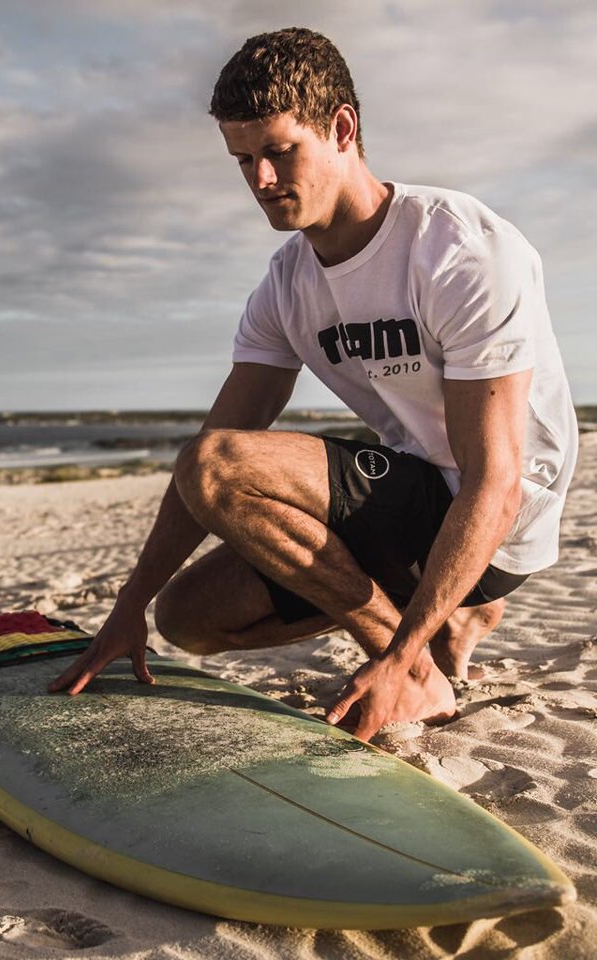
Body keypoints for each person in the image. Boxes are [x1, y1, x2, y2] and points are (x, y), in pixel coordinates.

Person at [48, 27, 578, 743]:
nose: (260, 180)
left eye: (277, 152)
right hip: (417, 505)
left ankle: (417, 665)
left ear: (342, 129)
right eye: (242, 160)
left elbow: (497, 482)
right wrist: (128, 607)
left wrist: (398, 655)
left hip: (500, 519)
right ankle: (442, 622)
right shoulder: (288, 285)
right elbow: (212, 445)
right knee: (186, 618)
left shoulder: (456, 249)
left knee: (220, 466)